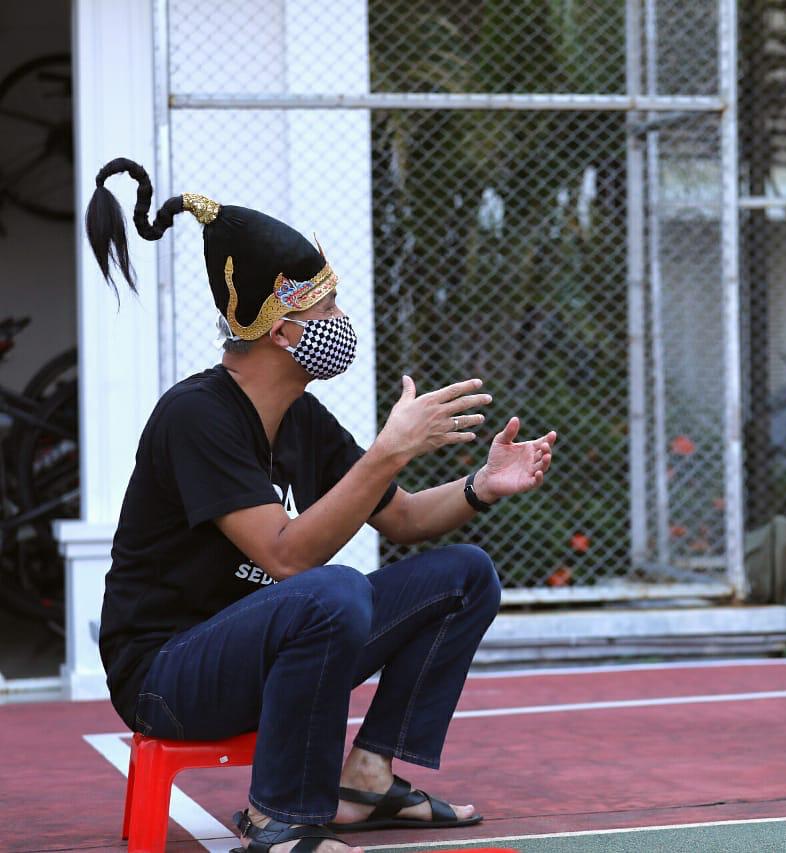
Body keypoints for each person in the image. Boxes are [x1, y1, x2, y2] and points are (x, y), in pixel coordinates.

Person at [87, 158, 557, 853]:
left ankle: (365, 780)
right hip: (168, 673)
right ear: (280, 330)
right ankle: (281, 819)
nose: (341, 320)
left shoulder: (301, 419)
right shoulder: (196, 416)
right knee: (327, 589)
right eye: (325, 308)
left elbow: (397, 518)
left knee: (464, 574)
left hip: (263, 647)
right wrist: (388, 451)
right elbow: (286, 555)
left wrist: (478, 488)